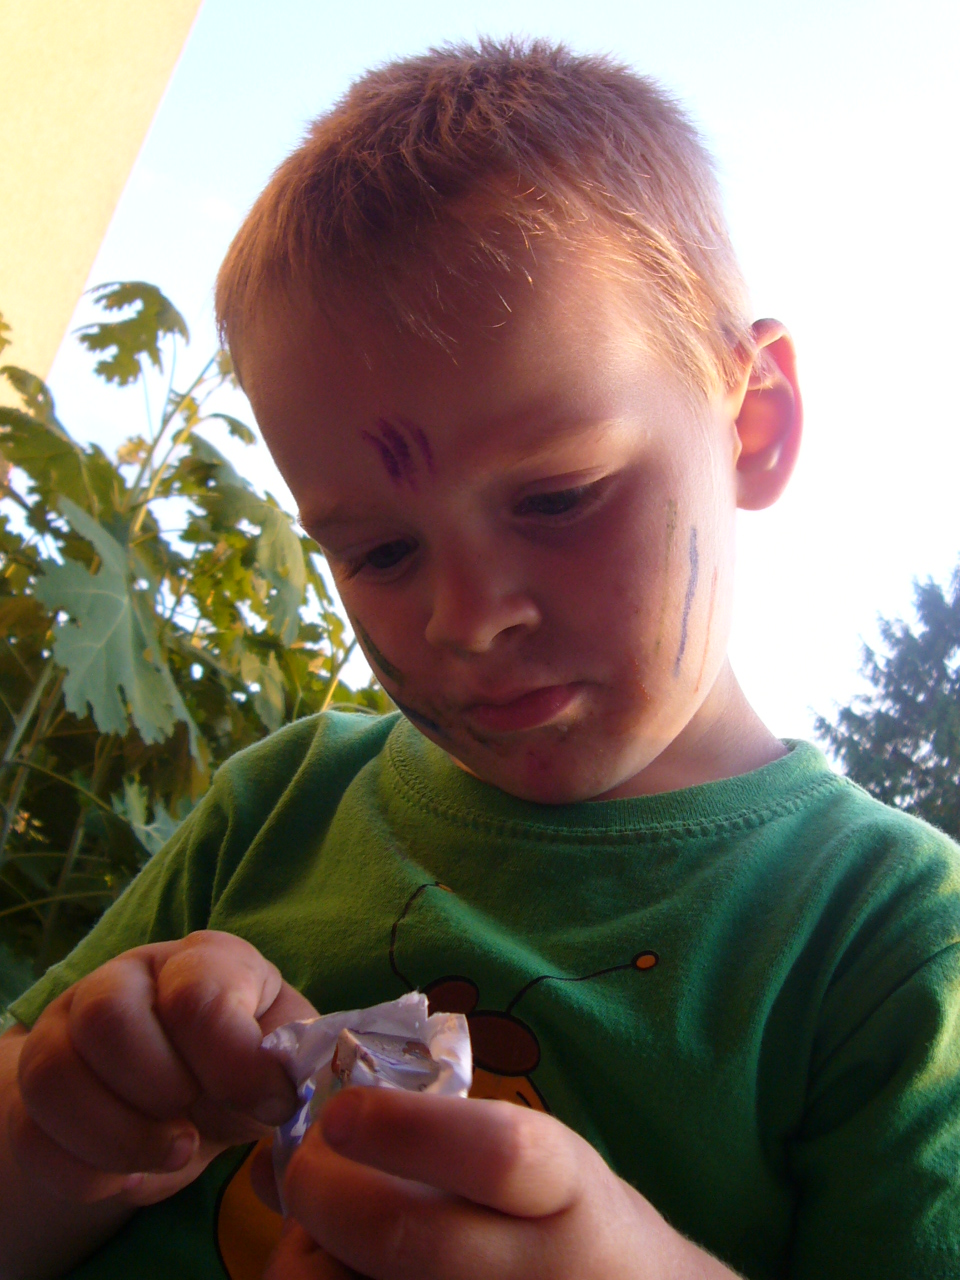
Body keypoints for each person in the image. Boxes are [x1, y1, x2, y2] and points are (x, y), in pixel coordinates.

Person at [2, 38, 960, 1280]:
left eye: (558, 498)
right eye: (379, 550)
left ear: (753, 422)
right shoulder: (283, 803)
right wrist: (64, 1133)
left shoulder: (892, 943)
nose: (464, 620)